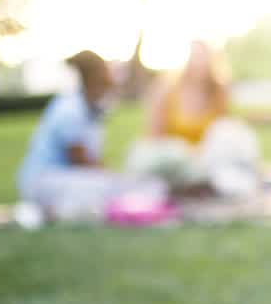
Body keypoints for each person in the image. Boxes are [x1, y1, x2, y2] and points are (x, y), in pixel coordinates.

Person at [17, 51, 165, 223]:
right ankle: (54, 211)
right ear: (92, 79)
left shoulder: (89, 108)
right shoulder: (70, 109)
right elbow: (81, 161)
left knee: (126, 186)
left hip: (66, 179)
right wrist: (114, 178)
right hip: (47, 181)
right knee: (110, 188)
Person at [126, 41, 261, 198]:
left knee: (232, 135)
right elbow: (154, 137)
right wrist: (188, 152)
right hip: (174, 158)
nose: (199, 63)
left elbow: (223, 133)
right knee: (169, 157)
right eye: (195, 57)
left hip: (206, 160)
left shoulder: (219, 91)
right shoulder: (166, 88)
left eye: (203, 58)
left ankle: (207, 184)